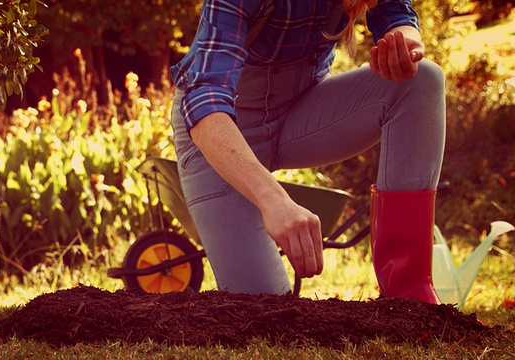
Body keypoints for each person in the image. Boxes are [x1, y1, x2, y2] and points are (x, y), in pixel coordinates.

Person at [169, 0, 445, 304]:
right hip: (222, 136)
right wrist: (273, 200)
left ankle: (410, 300)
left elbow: (396, 12)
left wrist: (404, 40)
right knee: (264, 312)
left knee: (422, 80)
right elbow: (205, 100)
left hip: (298, 115)